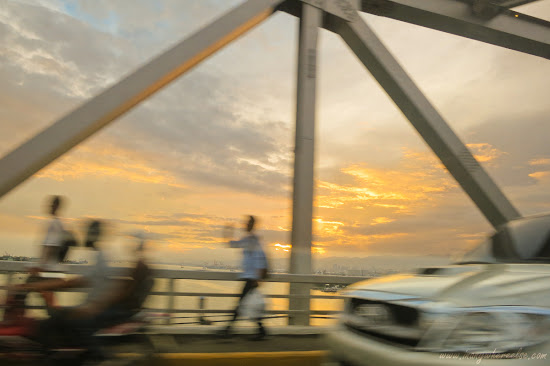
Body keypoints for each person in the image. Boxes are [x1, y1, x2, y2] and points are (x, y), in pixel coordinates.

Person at [220, 215, 268, 340]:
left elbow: (259, 258)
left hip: (251, 279)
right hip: (249, 278)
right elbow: (232, 244)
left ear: (252, 225)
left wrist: (257, 278)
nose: (245, 225)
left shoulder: (253, 240)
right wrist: (228, 232)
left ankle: (228, 329)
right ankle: (261, 329)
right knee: (248, 304)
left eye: (247, 223)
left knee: (241, 303)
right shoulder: (248, 240)